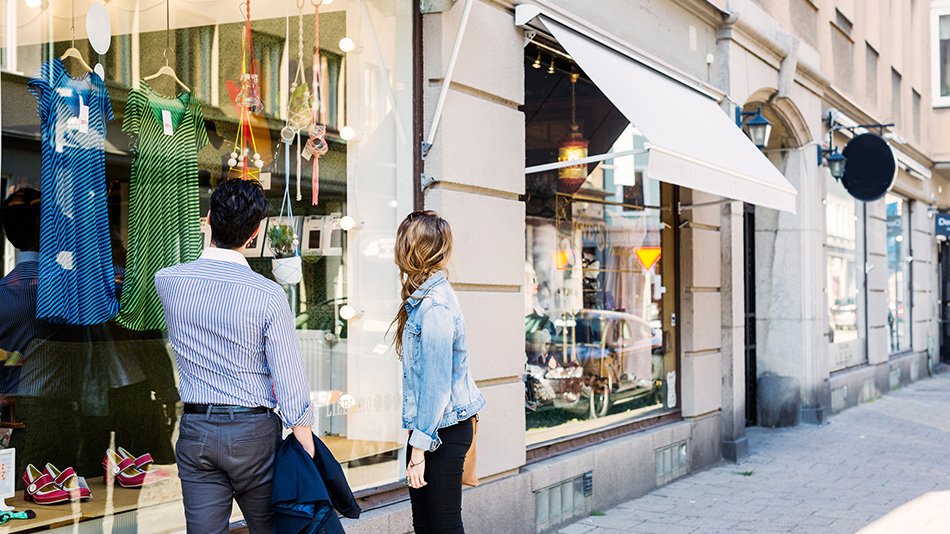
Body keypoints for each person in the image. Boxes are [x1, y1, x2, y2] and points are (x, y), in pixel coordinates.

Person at [155, 179, 314, 533]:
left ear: (208, 219)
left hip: (196, 429)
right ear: (254, 234)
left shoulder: (167, 281)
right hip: (253, 432)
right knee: (272, 528)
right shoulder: (268, 295)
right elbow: (288, 373)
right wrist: (305, 439)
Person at [391, 210, 486, 533]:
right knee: (427, 525)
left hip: (441, 432)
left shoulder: (435, 306)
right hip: (431, 431)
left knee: (442, 526)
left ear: (411, 250)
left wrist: (418, 449)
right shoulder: (423, 300)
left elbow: (436, 386)